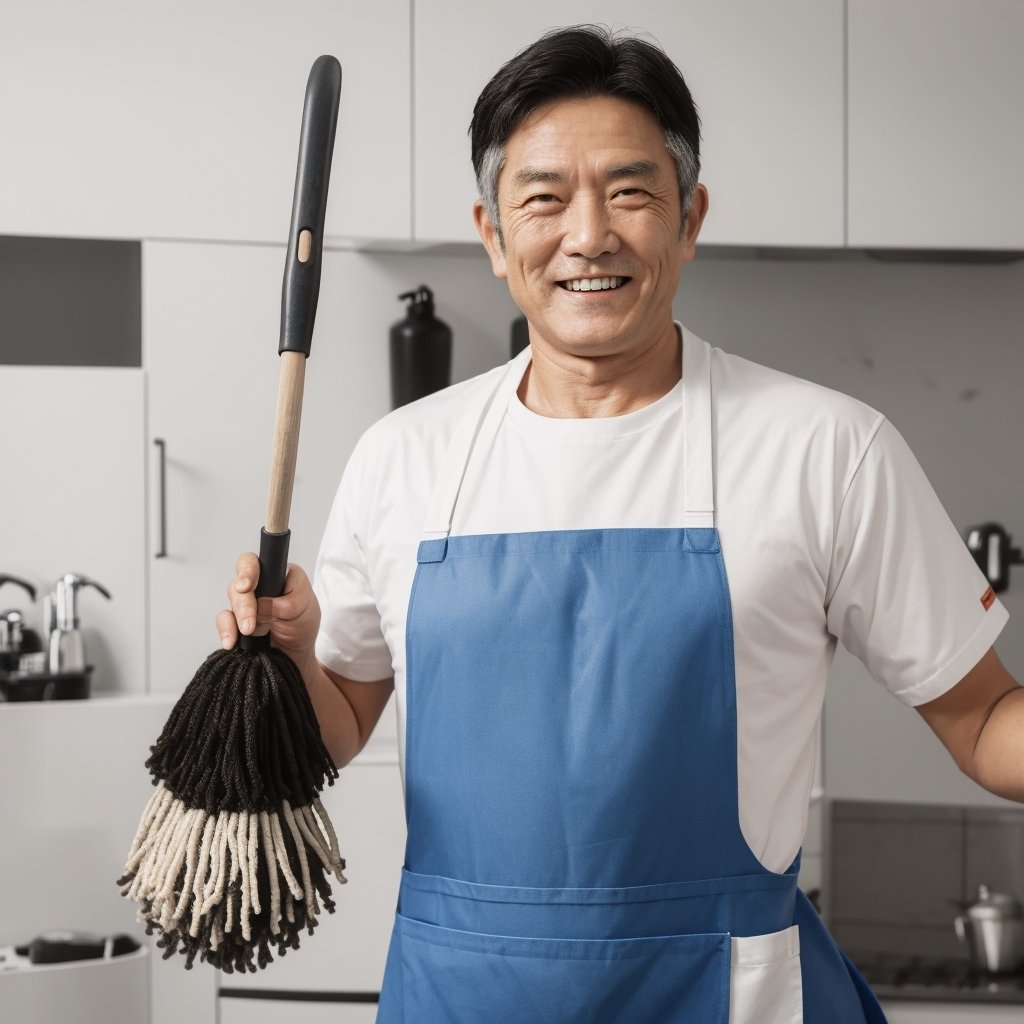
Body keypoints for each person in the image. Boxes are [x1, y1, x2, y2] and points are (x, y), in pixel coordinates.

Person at [217, 25, 1021, 1024]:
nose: (588, 233)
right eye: (545, 197)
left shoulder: (824, 449)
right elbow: (335, 724)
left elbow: (986, 721)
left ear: (689, 219)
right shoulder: (405, 457)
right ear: (492, 233)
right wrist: (291, 659)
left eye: (630, 191)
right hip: (461, 997)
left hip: (723, 999)